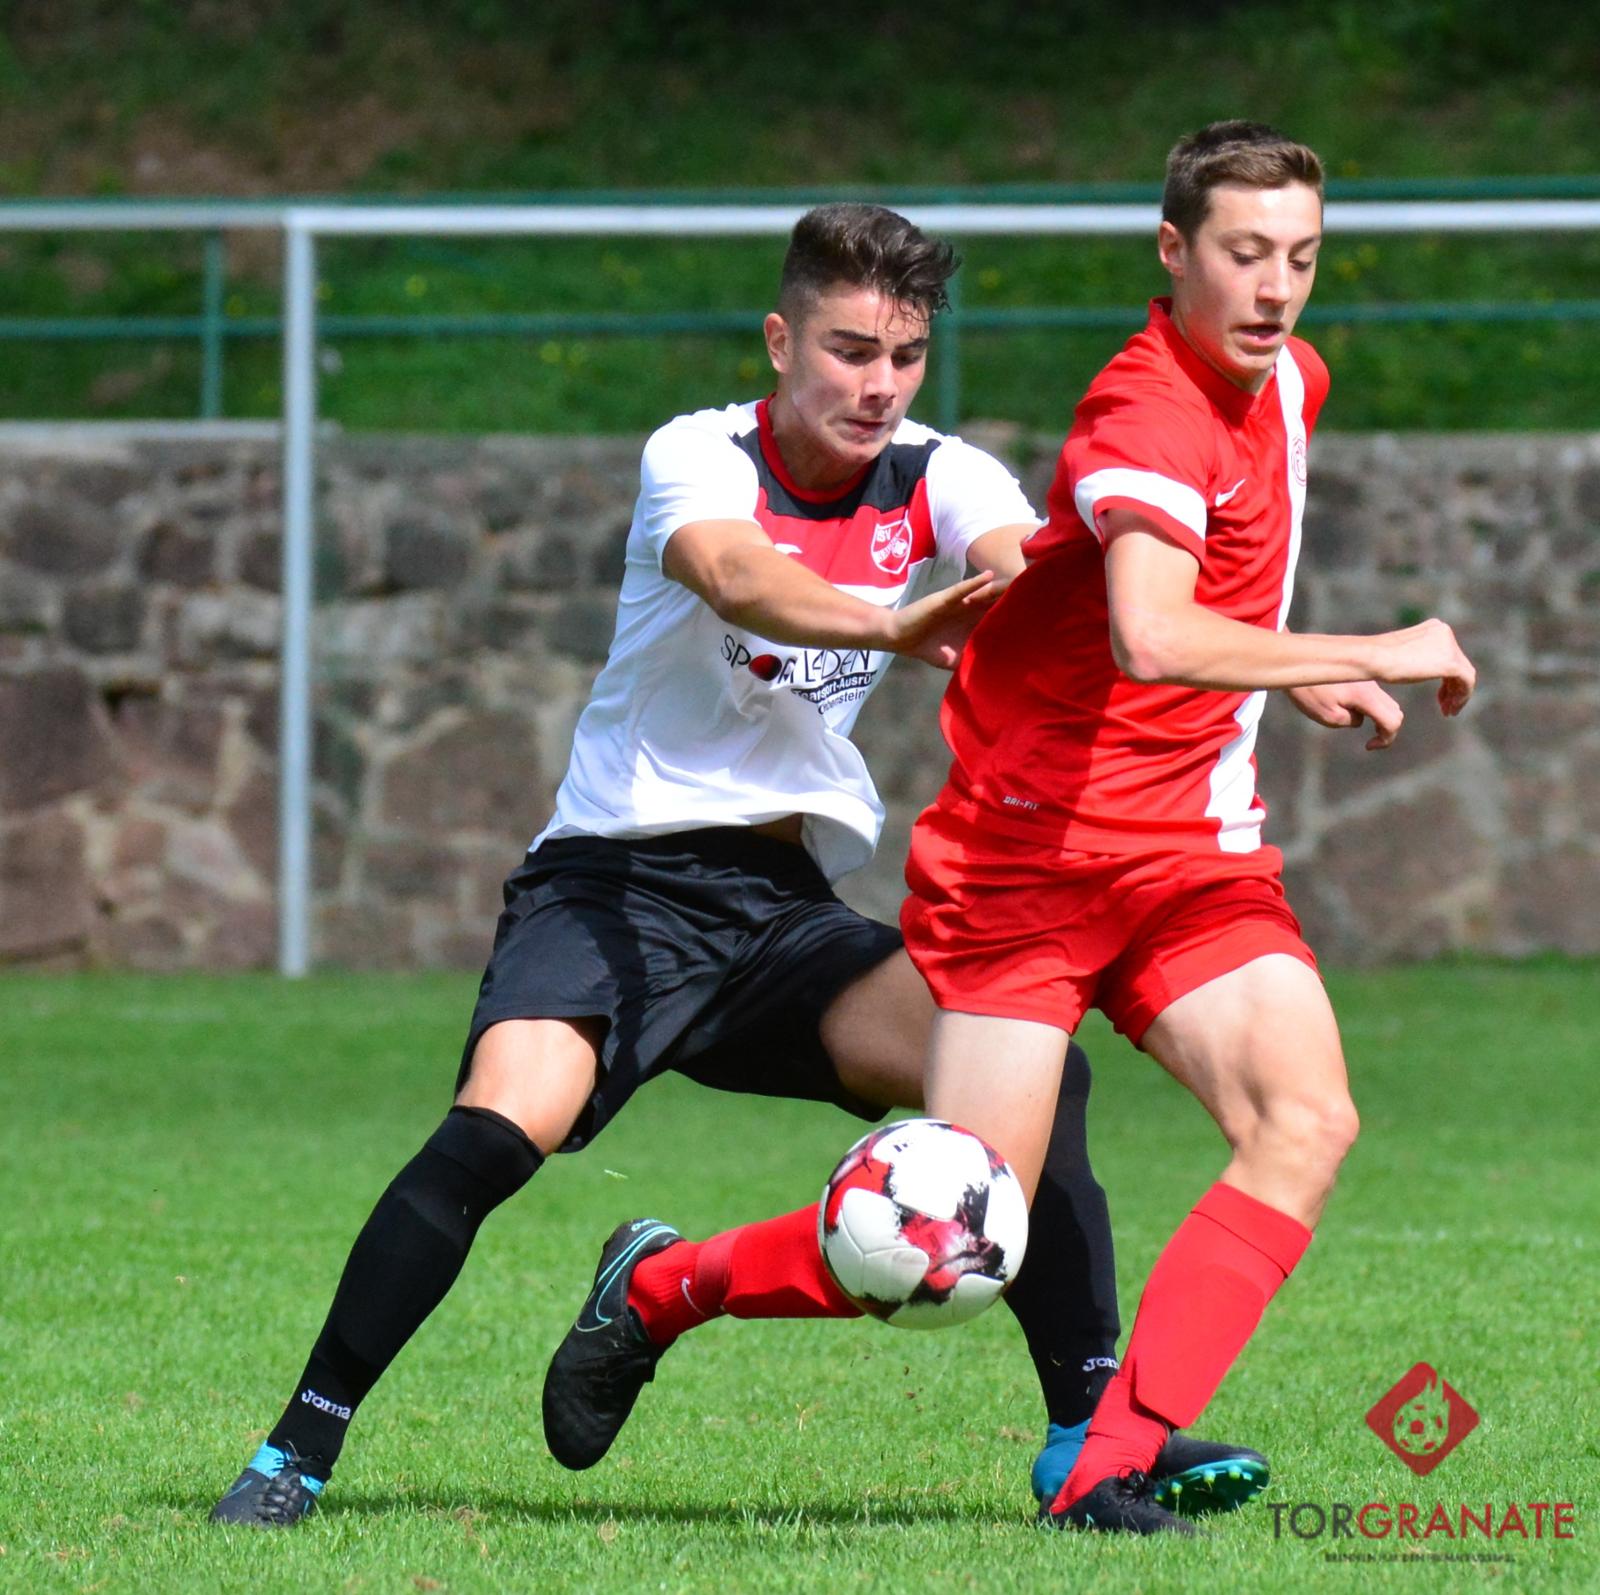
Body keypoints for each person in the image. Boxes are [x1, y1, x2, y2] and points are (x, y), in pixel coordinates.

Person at [212, 201, 1292, 1529]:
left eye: (904, 356)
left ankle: (1086, 1440)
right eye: (849, 350)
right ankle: (296, 1451)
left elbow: (1038, 572)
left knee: (1030, 1071)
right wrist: (890, 625)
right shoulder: (702, 454)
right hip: (613, 890)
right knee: (497, 1131)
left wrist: (1222, 649)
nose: (879, 384)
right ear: (782, 341)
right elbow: (735, 577)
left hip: (783, 917)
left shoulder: (940, 472)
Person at [552, 125, 1475, 1537]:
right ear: (1174, 252)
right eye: (1244, 253)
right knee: (952, 1242)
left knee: (1304, 1119)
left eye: (1300, 255)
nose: (1276, 287)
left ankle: (1112, 1458)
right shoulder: (1143, 417)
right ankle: (665, 1287)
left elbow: (1202, 601)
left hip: (1188, 854)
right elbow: (1153, 633)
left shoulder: (1292, 381)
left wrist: (1297, 665)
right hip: (1029, 863)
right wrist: (1374, 644)